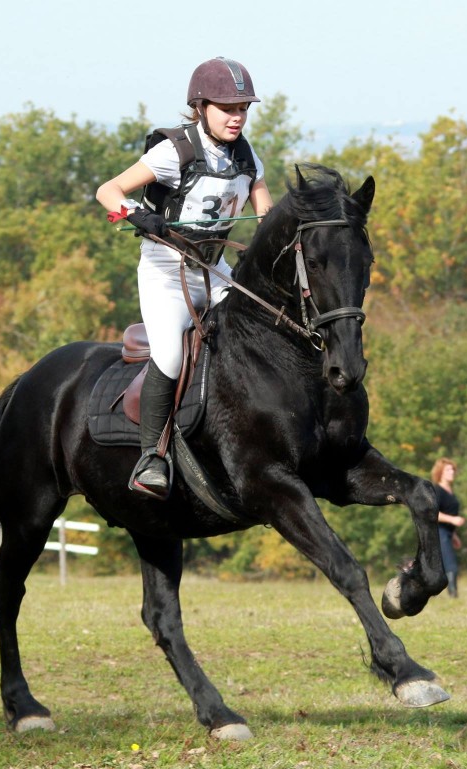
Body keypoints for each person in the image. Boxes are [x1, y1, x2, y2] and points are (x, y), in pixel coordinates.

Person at [96, 57, 274, 499]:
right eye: (227, 108)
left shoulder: (248, 156)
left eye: (243, 109)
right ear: (201, 106)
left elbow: (267, 215)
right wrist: (139, 214)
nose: (237, 117)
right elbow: (108, 191)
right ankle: (151, 458)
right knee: (172, 358)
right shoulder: (174, 152)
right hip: (166, 274)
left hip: (216, 272)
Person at [431, 457, 466, 598]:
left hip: (447, 533)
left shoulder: (450, 491)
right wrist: (453, 519)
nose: (452, 472)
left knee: (442, 566)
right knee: (450, 566)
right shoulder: (437, 490)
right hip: (438, 532)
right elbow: (432, 513)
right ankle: (453, 597)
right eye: (448, 469)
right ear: (440, 472)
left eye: (453, 469)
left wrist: (454, 536)